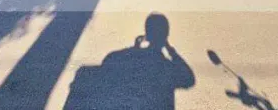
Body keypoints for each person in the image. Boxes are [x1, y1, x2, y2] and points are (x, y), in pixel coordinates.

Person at [65, 13, 195, 109]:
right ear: (166, 36)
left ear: (147, 34)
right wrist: (170, 50)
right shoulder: (168, 68)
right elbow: (189, 79)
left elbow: (107, 73)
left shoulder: (117, 58)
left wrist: (134, 48)